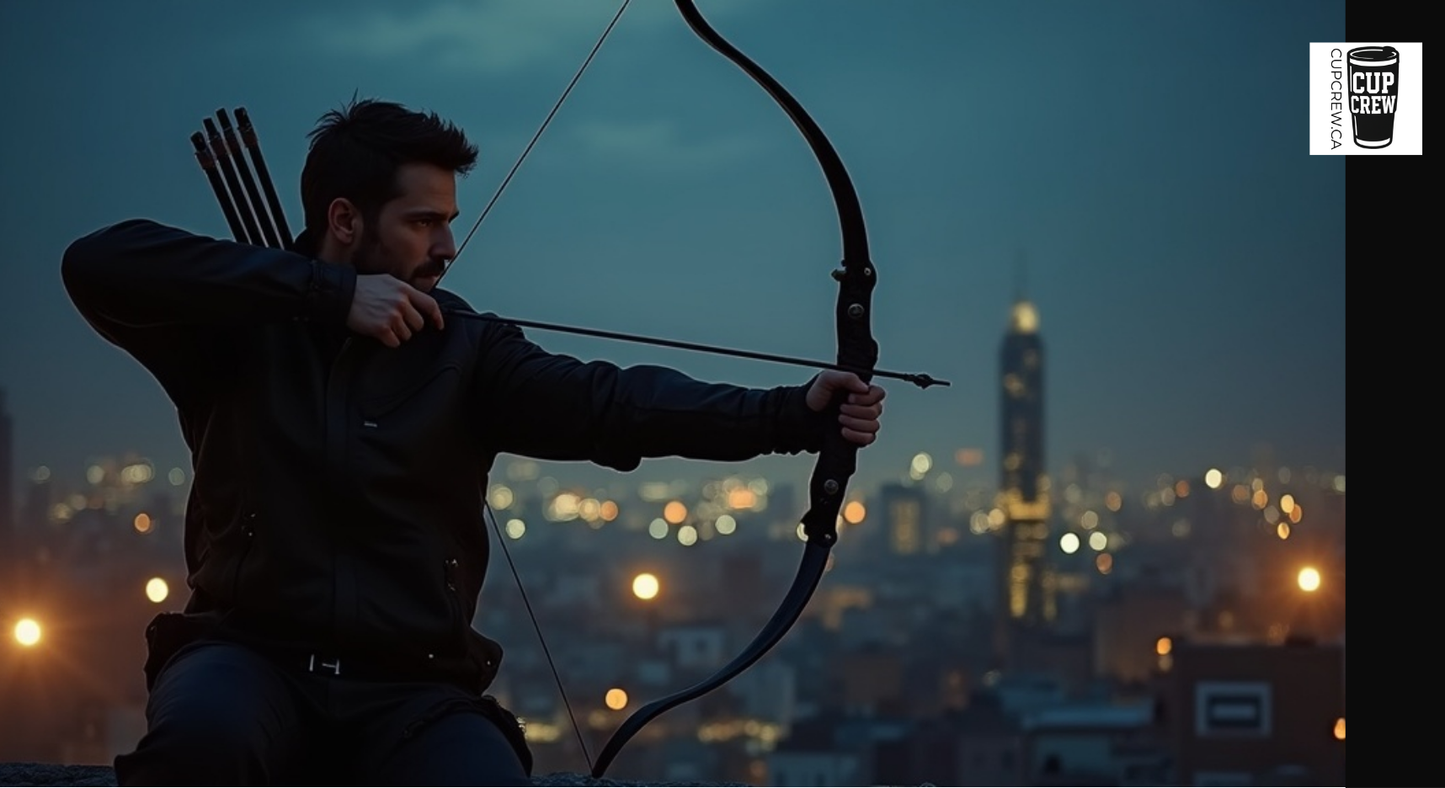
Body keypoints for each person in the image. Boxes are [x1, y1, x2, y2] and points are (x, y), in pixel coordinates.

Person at [61, 98, 885, 786]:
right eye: (423, 223)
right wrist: (323, 295)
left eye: (449, 222)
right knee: (197, 750)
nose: (447, 248)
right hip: (245, 658)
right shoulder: (238, 328)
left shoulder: (466, 350)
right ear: (343, 221)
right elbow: (97, 262)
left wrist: (791, 413)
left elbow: (612, 406)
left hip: (413, 687)